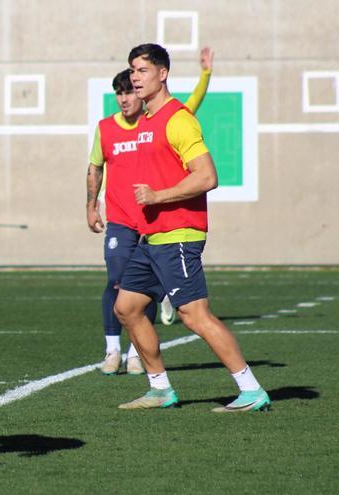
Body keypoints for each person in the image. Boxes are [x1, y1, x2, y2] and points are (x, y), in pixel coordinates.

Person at [114, 43, 270, 412]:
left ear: (162, 74)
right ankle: (160, 389)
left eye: (142, 70)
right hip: (151, 237)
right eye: (132, 70)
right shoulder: (148, 120)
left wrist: (157, 196)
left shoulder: (178, 118)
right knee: (128, 307)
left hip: (179, 234)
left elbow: (208, 176)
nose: (135, 77)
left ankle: (251, 390)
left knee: (193, 315)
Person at [87, 48, 214, 375]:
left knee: (185, 311)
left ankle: (136, 355)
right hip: (121, 221)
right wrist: (91, 205)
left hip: (158, 223)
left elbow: (188, 111)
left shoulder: (162, 120)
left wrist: (205, 76)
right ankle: (114, 351)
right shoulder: (107, 129)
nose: (127, 95)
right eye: (123, 89)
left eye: (134, 83)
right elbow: (94, 169)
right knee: (119, 287)